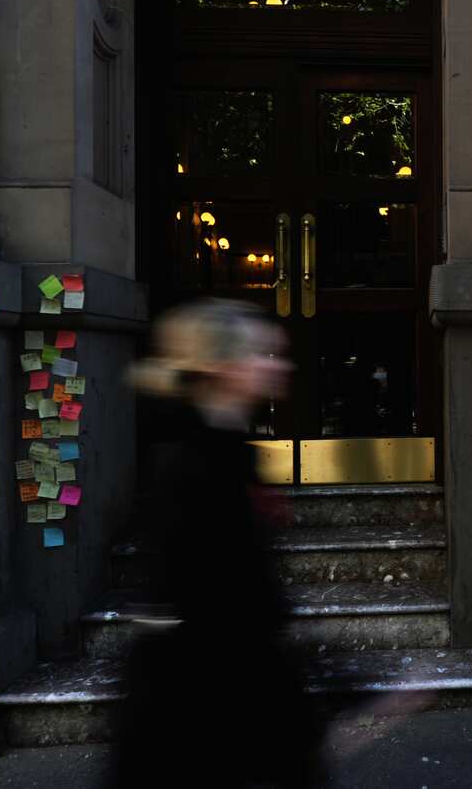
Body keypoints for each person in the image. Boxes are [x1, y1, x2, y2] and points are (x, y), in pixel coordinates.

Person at [114, 298, 323, 787]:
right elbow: (212, 604)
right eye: (265, 355)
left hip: (230, 699)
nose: (282, 366)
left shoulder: (228, 452)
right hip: (201, 713)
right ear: (222, 367)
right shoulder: (190, 462)